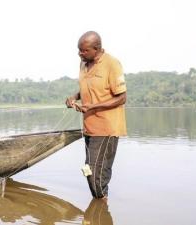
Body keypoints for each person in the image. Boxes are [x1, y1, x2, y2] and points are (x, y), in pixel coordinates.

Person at [65, 31, 127, 201]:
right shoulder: (83, 64)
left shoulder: (112, 64)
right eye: (79, 50)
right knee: (88, 169)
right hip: (89, 127)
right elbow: (87, 87)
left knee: (96, 173)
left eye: (84, 51)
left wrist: (93, 106)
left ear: (97, 48)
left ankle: (100, 209)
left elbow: (122, 98)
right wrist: (73, 98)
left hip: (107, 127)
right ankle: (100, 201)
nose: (80, 54)